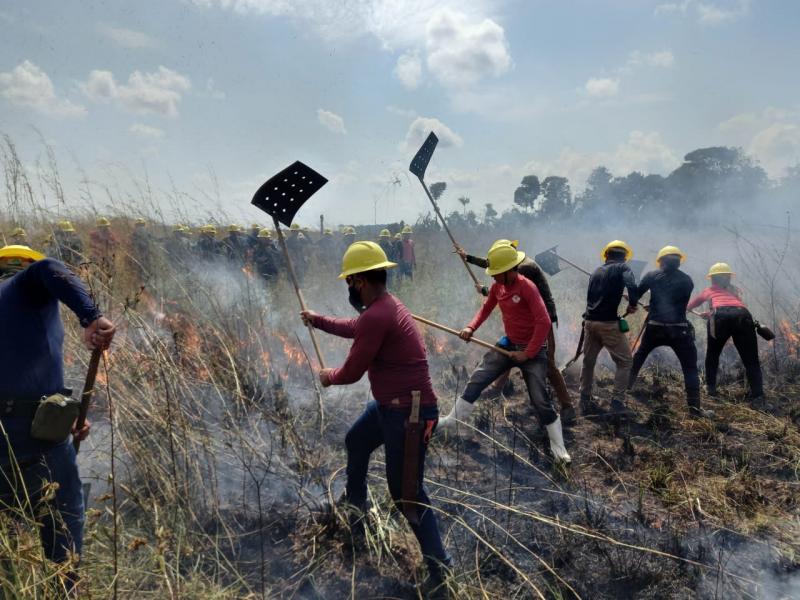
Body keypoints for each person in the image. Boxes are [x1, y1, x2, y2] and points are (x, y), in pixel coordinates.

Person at [300, 241, 452, 597]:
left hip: (410, 414)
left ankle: (440, 570)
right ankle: (356, 506)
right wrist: (318, 321)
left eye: (350, 281)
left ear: (361, 281)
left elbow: (352, 371)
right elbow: (356, 326)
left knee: (407, 496)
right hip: (390, 408)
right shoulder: (383, 306)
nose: (349, 288)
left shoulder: (379, 314)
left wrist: (329, 376)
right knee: (356, 440)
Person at [0, 244, 116, 594]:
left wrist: (65, 417)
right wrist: (91, 316)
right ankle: (62, 588)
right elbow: (49, 267)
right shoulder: (23, 286)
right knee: (63, 536)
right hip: (33, 446)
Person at [439, 241, 571, 463]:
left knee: (540, 398)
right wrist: (470, 327)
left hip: (533, 349)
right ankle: (452, 420)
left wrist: (527, 353)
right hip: (509, 343)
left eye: (497, 273)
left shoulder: (527, 287)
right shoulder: (497, 287)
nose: (492, 276)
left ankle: (559, 449)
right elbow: (485, 309)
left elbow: (544, 321)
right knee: (477, 378)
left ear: (511, 271)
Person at [457, 240, 576, 424]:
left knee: (548, 364)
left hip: (540, 321)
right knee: (508, 352)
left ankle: (567, 405)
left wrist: (486, 290)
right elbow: (492, 268)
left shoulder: (524, 269)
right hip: (522, 318)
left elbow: (509, 291)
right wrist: (469, 258)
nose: (495, 272)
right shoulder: (511, 268)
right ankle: (497, 388)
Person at [628, 246, 707, 417]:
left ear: (661, 262)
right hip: (679, 329)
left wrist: (632, 299)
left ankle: (624, 392)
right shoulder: (688, 280)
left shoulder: (651, 275)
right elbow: (675, 302)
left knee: (639, 357)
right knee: (690, 367)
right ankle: (694, 409)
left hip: (655, 327)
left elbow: (637, 295)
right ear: (679, 262)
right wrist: (654, 305)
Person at [579, 240, 639, 417]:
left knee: (588, 362)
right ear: (625, 258)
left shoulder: (596, 271)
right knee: (625, 362)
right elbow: (632, 285)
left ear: (606, 255)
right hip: (608, 325)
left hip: (590, 322)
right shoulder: (623, 268)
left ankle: (584, 399)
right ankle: (617, 403)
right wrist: (633, 304)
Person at [687, 262, 763, 402]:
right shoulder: (735, 290)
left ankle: (711, 389)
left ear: (712, 278)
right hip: (743, 315)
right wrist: (710, 313)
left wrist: (703, 313)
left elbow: (690, 306)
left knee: (713, 354)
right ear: (728, 278)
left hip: (720, 317)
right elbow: (732, 307)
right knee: (751, 359)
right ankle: (758, 395)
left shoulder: (708, 291)